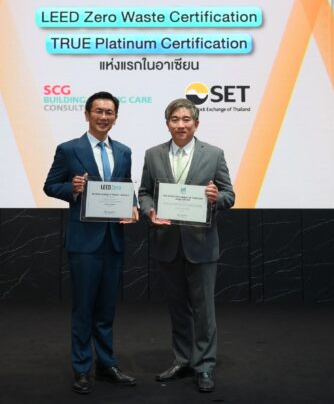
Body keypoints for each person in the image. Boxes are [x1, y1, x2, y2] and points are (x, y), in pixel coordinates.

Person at [44, 91, 138, 395]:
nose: (103, 117)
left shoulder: (124, 151)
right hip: (84, 243)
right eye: (98, 111)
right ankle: (82, 368)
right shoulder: (69, 149)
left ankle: (107, 365)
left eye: (109, 112)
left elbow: (125, 186)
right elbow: (50, 186)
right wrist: (72, 188)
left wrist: (133, 206)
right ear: (87, 114)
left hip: (113, 240)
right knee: (84, 309)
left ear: (116, 117)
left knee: (106, 309)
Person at [138, 98, 235, 393]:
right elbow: (144, 192)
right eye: (175, 119)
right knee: (178, 308)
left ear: (196, 123)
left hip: (201, 244)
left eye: (186, 119)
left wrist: (215, 198)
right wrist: (149, 211)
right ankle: (182, 360)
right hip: (167, 243)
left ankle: (204, 365)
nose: (180, 125)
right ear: (167, 123)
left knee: (204, 310)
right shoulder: (153, 154)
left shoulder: (214, 154)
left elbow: (229, 195)